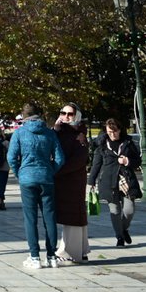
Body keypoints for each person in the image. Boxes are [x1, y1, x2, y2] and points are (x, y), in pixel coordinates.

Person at [9, 101, 65, 270]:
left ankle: (34, 257)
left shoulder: (18, 134)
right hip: (46, 177)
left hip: (27, 179)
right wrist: (50, 171)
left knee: (30, 218)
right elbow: (60, 159)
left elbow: (11, 158)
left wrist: (20, 173)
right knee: (50, 217)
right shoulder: (49, 133)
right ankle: (51, 256)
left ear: (24, 116)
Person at [88, 117, 142, 247]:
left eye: (115, 131)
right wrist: (91, 182)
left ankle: (124, 229)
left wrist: (127, 161)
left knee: (129, 209)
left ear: (120, 130)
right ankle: (119, 237)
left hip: (126, 179)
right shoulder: (102, 145)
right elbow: (96, 165)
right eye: (109, 132)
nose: (112, 134)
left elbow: (137, 160)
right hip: (108, 181)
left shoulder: (128, 142)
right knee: (115, 210)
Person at [53, 102, 90, 264]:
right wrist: (55, 129)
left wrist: (57, 171)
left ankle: (70, 251)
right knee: (73, 216)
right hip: (67, 179)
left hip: (72, 179)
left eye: (70, 114)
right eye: (63, 113)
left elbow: (79, 159)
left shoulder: (78, 133)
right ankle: (79, 251)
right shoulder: (63, 131)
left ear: (77, 116)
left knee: (73, 216)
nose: (66, 116)